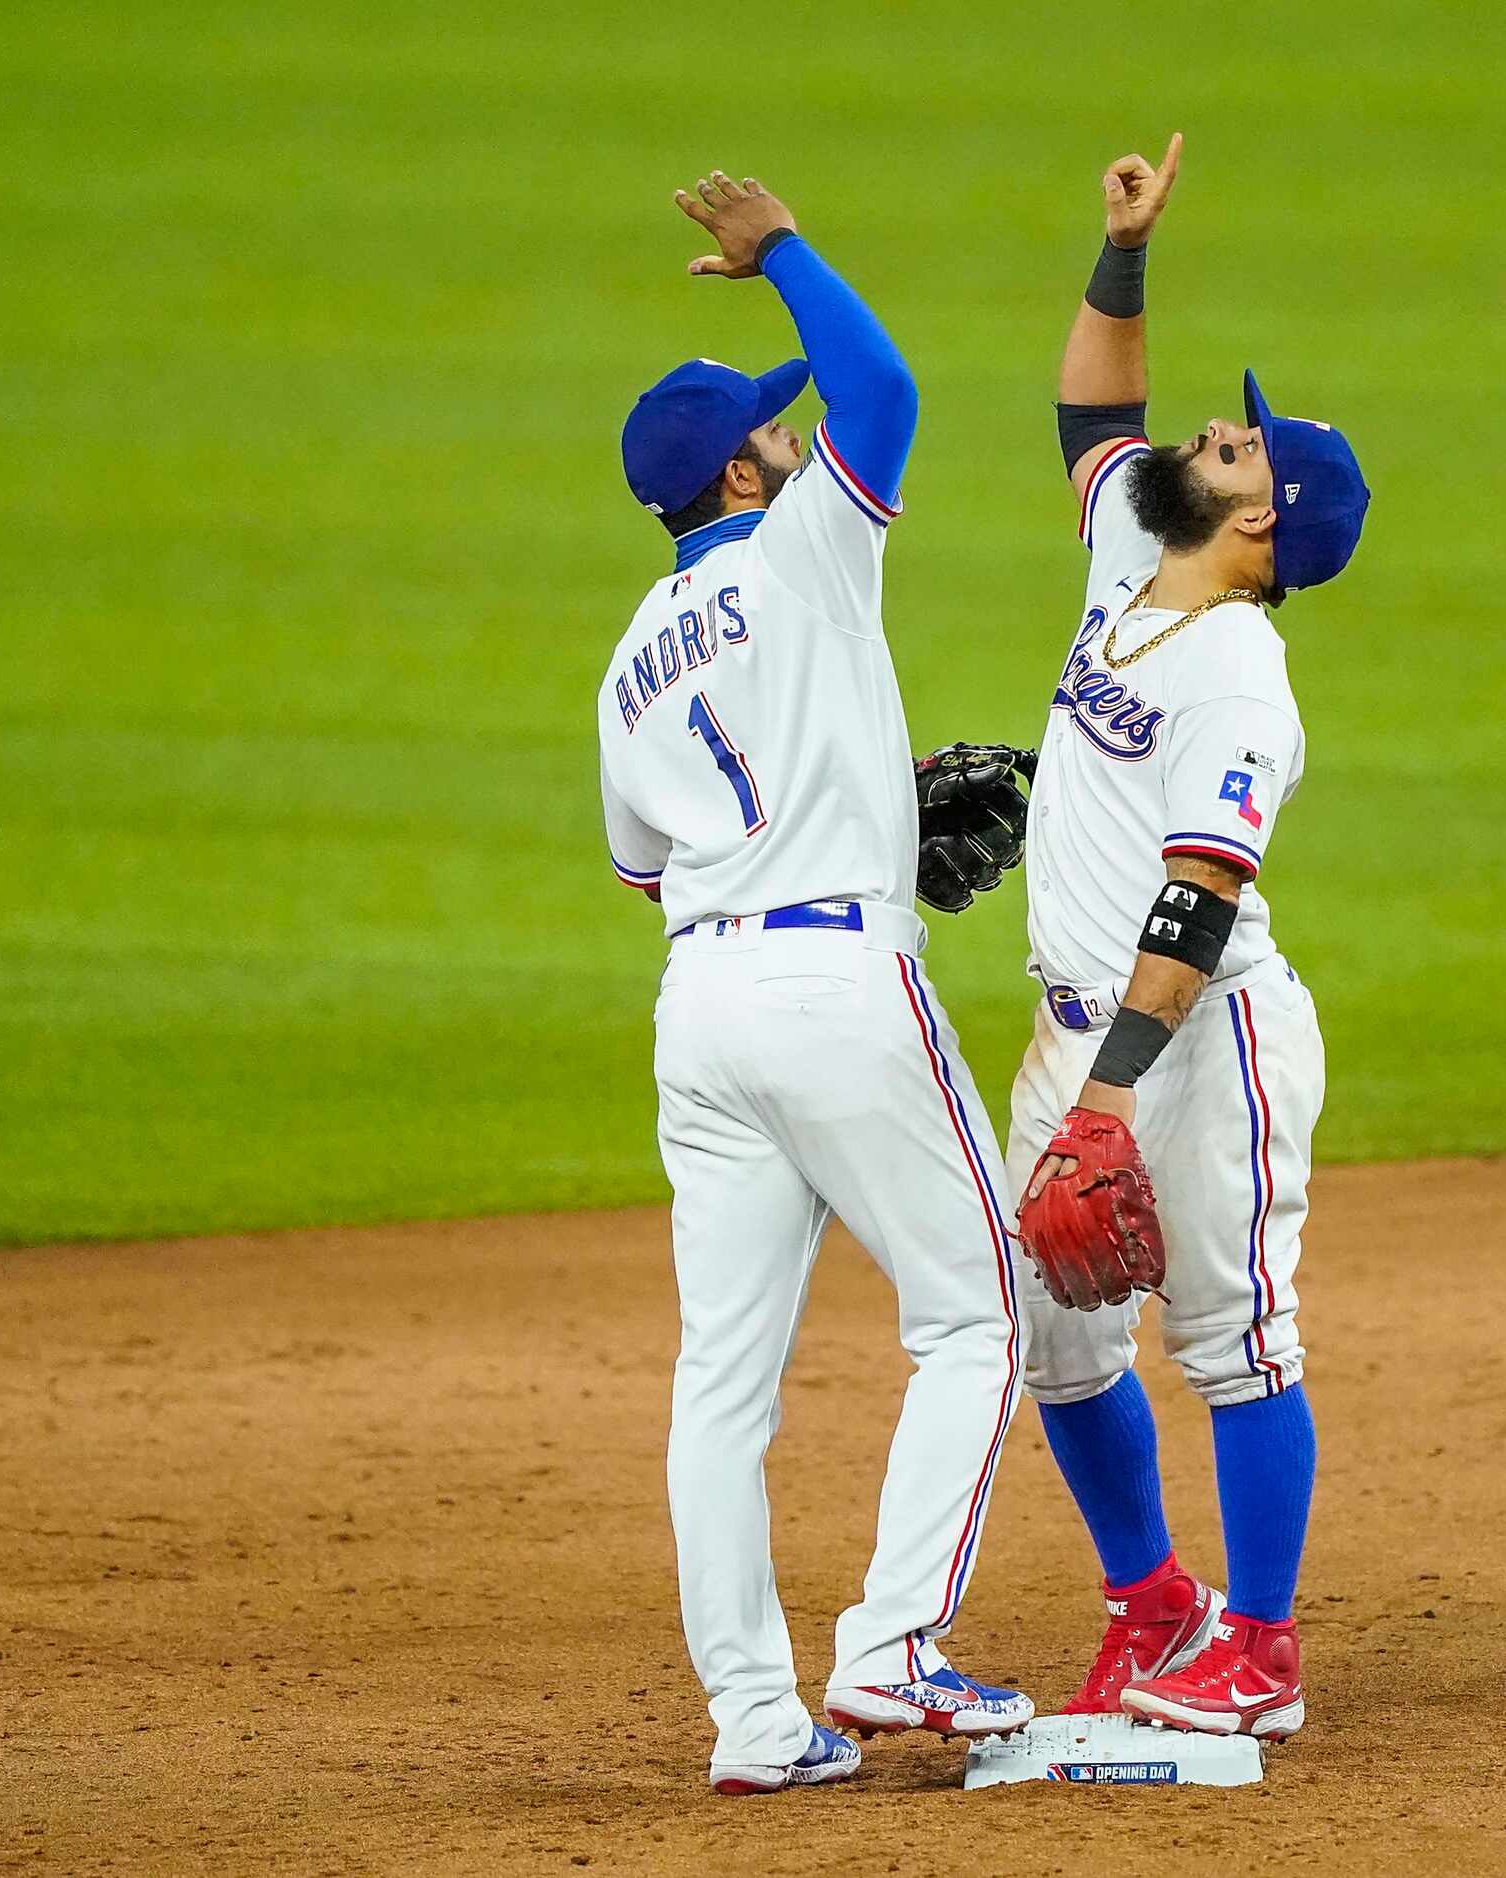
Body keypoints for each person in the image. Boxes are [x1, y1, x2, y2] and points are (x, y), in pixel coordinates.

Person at [597, 167, 1032, 1796]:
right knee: (975, 1315)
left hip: (698, 1010)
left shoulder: (625, 658)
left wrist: (854, 797)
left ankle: (751, 1719)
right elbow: (889, 389)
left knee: (723, 1374)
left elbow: (650, 865)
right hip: (838, 989)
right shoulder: (804, 544)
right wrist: (779, 254)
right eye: (770, 430)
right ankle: (891, 1645)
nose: (794, 436)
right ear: (740, 469)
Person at [1005, 134, 1372, 1742]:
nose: (1211, 432)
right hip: (1071, 1024)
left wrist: (1107, 1096)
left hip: (1199, 1032)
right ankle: (1155, 1604)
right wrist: (1123, 247)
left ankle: (1264, 1649)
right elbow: (1095, 407)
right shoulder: (1130, 548)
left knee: (1232, 1333)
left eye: (1241, 447)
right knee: (1056, 1334)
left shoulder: (1240, 675)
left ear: (1265, 528)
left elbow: (1198, 889)